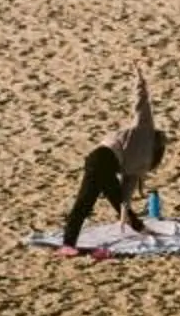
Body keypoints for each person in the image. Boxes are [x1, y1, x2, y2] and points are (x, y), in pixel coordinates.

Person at [62, 63, 172, 251]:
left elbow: (127, 189)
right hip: (103, 159)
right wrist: (139, 79)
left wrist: (123, 213)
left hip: (101, 160)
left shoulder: (143, 158)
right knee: (85, 201)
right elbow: (142, 104)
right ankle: (67, 245)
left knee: (92, 200)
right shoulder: (145, 133)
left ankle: (135, 226)